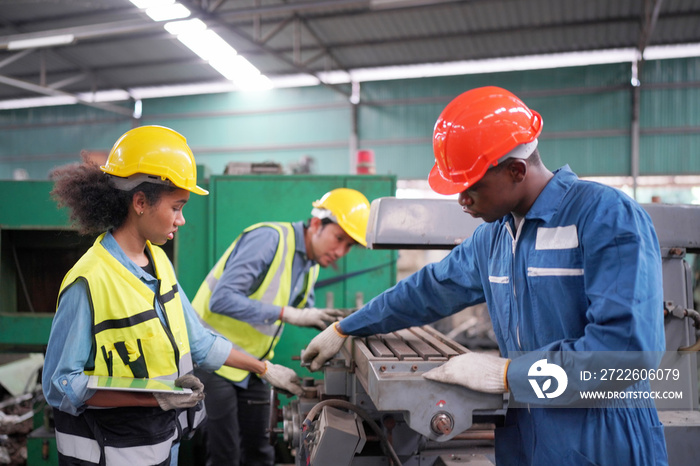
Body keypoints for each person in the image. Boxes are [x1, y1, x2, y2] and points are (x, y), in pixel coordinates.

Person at [302, 86, 669, 465]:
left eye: (471, 187)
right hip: (526, 435)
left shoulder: (605, 217)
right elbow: (428, 290)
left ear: (516, 170)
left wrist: (510, 375)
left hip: (603, 439)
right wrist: (347, 327)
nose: (462, 201)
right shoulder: (494, 238)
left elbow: (626, 354)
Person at [42, 125, 303, 466]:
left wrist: (263, 368)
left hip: (162, 446)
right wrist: (156, 399)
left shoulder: (159, 261)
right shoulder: (89, 281)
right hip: (111, 453)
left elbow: (200, 343)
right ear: (139, 202)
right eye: (177, 207)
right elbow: (61, 385)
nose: (182, 220)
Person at [191, 187, 370, 465]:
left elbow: (306, 312)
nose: (340, 251)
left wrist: (344, 330)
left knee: (262, 450)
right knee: (225, 454)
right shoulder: (269, 239)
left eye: (349, 246)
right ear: (315, 224)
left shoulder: (312, 263)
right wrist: (290, 314)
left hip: (256, 367)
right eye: (339, 239)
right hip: (215, 360)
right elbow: (222, 300)